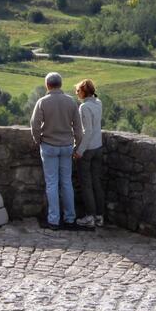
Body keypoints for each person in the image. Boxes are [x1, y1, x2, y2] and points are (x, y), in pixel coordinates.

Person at [29, 72, 83, 230]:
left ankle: (53, 220)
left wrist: (38, 140)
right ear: (61, 84)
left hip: (49, 146)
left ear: (47, 85)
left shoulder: (42, 102)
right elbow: (79, 130)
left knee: (52, 183)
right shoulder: (71, 102)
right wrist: (76, 145)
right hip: (66, 146)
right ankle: (70, 218)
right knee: (66, 183)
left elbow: (35, 124)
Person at [73, 78, 105, 229]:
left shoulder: (84, 108)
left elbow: (88, 131)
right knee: (96, 182)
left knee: (86, 184)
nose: (76, 93)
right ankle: (99, 216)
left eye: (78, 90)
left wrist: (80, 151)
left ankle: (90, 217)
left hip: (88, 149)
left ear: (84, 91)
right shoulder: (98, 103)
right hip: (99, 146)